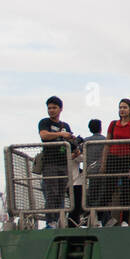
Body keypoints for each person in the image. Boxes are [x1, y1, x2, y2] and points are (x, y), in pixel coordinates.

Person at [37, 96, 78, 226]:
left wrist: (75, 147)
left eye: (54, 108)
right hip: (50, 163)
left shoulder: (65, 126)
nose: (51, 110)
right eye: (49, 108)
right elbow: (43, 135)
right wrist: (61, 135)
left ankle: (59, 220)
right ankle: (50, 220)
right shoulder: (44, 122)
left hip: (63, 164)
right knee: (51, 192)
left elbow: (71, 145)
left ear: (60, 109)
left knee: (61, 193)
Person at [104, 98, 130, 225]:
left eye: (125, 107)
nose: (122, 110)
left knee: (126, 190)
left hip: (127, 158)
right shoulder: (113, 124)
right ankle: (105, 218)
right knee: (108, 189)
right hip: (113, 158)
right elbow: (107, 144)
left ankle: (125, 220)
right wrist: (104, 162)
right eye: (120, 107)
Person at [82, 118, 106, 213]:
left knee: (92, 193)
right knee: (102, 194)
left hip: (90, 171)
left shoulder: (86, 141)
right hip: (102, 170)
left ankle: (92, 214)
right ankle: (100, 216)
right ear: (100, 128)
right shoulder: (105, 140)